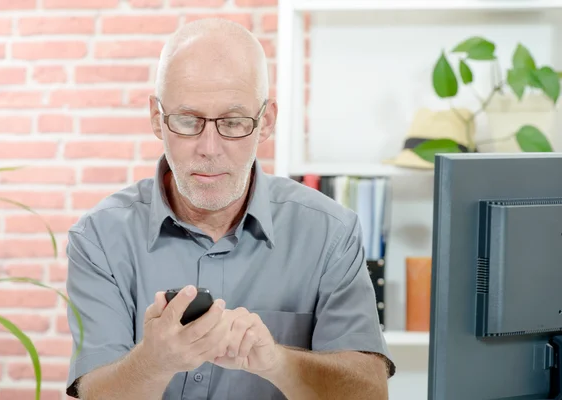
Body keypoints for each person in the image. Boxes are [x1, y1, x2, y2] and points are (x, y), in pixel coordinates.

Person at [64, 18, 395, 400]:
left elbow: (370, 392)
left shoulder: (330, 233)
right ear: (157, 118)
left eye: (234, 123)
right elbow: (97, 395)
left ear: (265, 121)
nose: (209, 148)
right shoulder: (99, 238)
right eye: (188, 121)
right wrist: (154, 361)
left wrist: (276, 361)